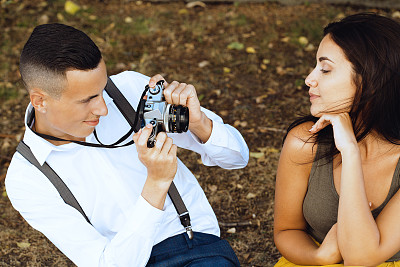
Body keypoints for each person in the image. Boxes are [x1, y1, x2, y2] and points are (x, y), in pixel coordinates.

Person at [5, 23, 249, 266]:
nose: (102, 108)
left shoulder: (130, 89)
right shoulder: (27, 178)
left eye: (102, 90)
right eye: (87, 100)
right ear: (40, 101)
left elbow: (237, 159)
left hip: (193, 247)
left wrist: (200, 123)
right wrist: (157, 182)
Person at [273, 13, 400, 266]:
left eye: (326, 69)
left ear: (371, 81)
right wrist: (319, 256)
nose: (309, 79)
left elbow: (361, 259)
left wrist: (350, 151)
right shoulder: (304, 142)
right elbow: (286, 231)